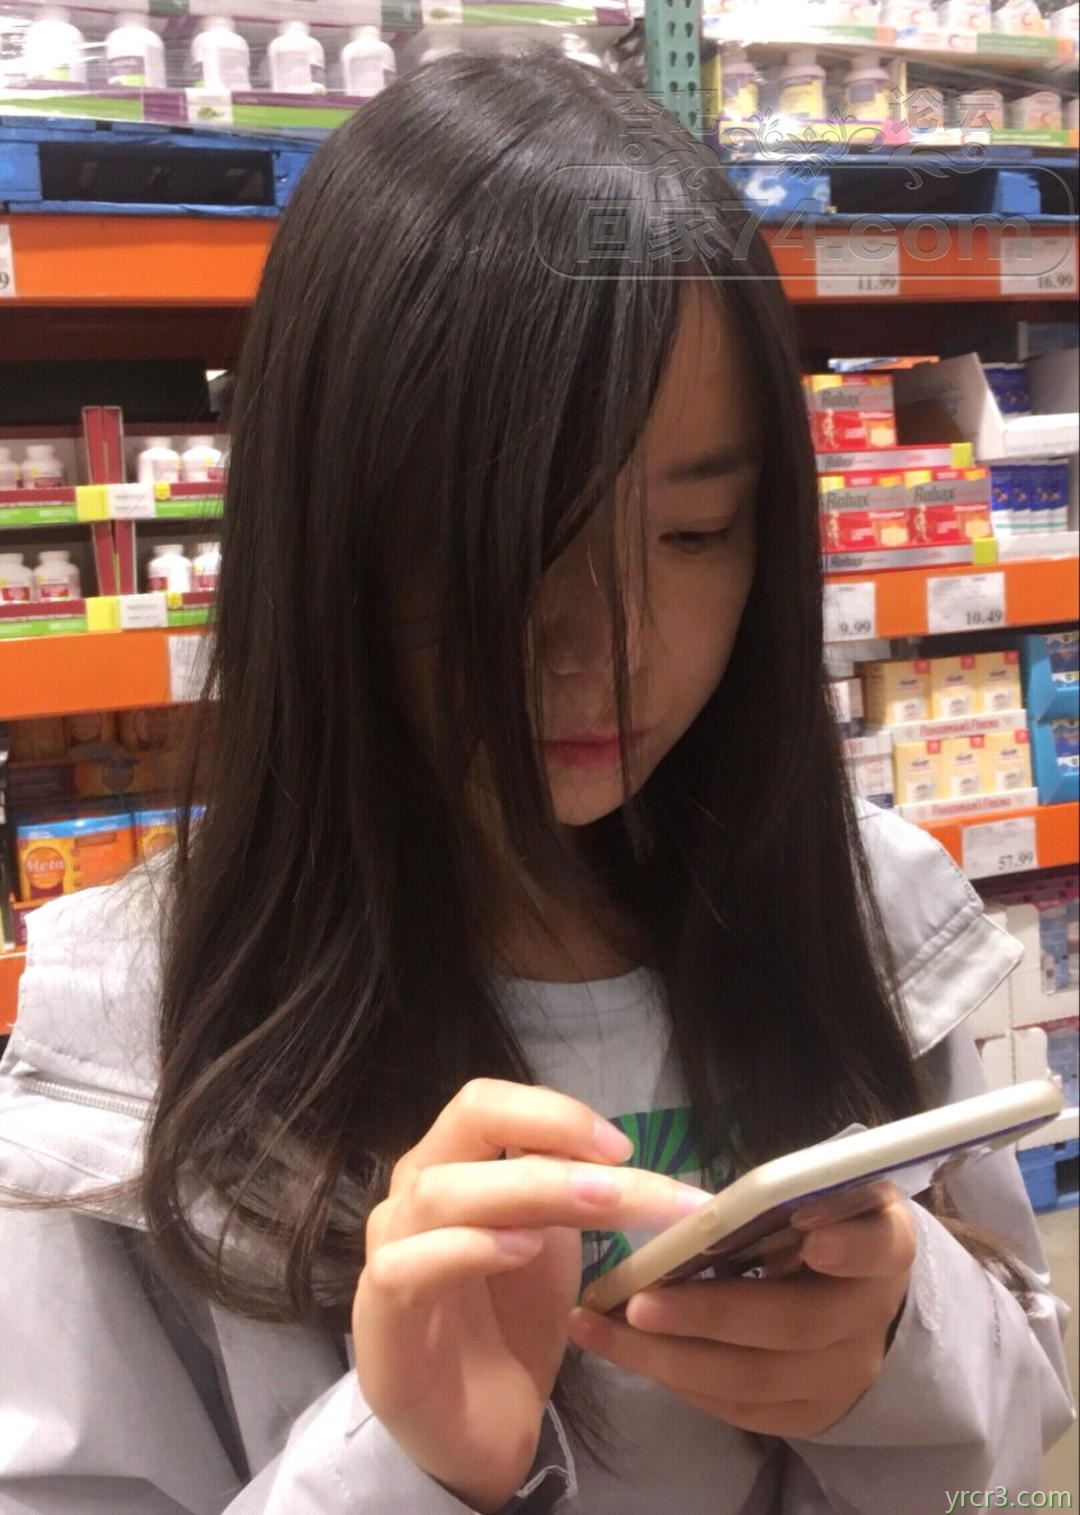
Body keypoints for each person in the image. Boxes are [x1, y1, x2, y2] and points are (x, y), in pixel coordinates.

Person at [0, 50, 1074, 1515]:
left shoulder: (874, 911)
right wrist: (405, 1469)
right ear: (325, 538)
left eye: (692, 537)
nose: (600, 653)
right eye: (491, 550)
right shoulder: (128, 1028)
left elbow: (1015, 1440)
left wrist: (903, 1353)